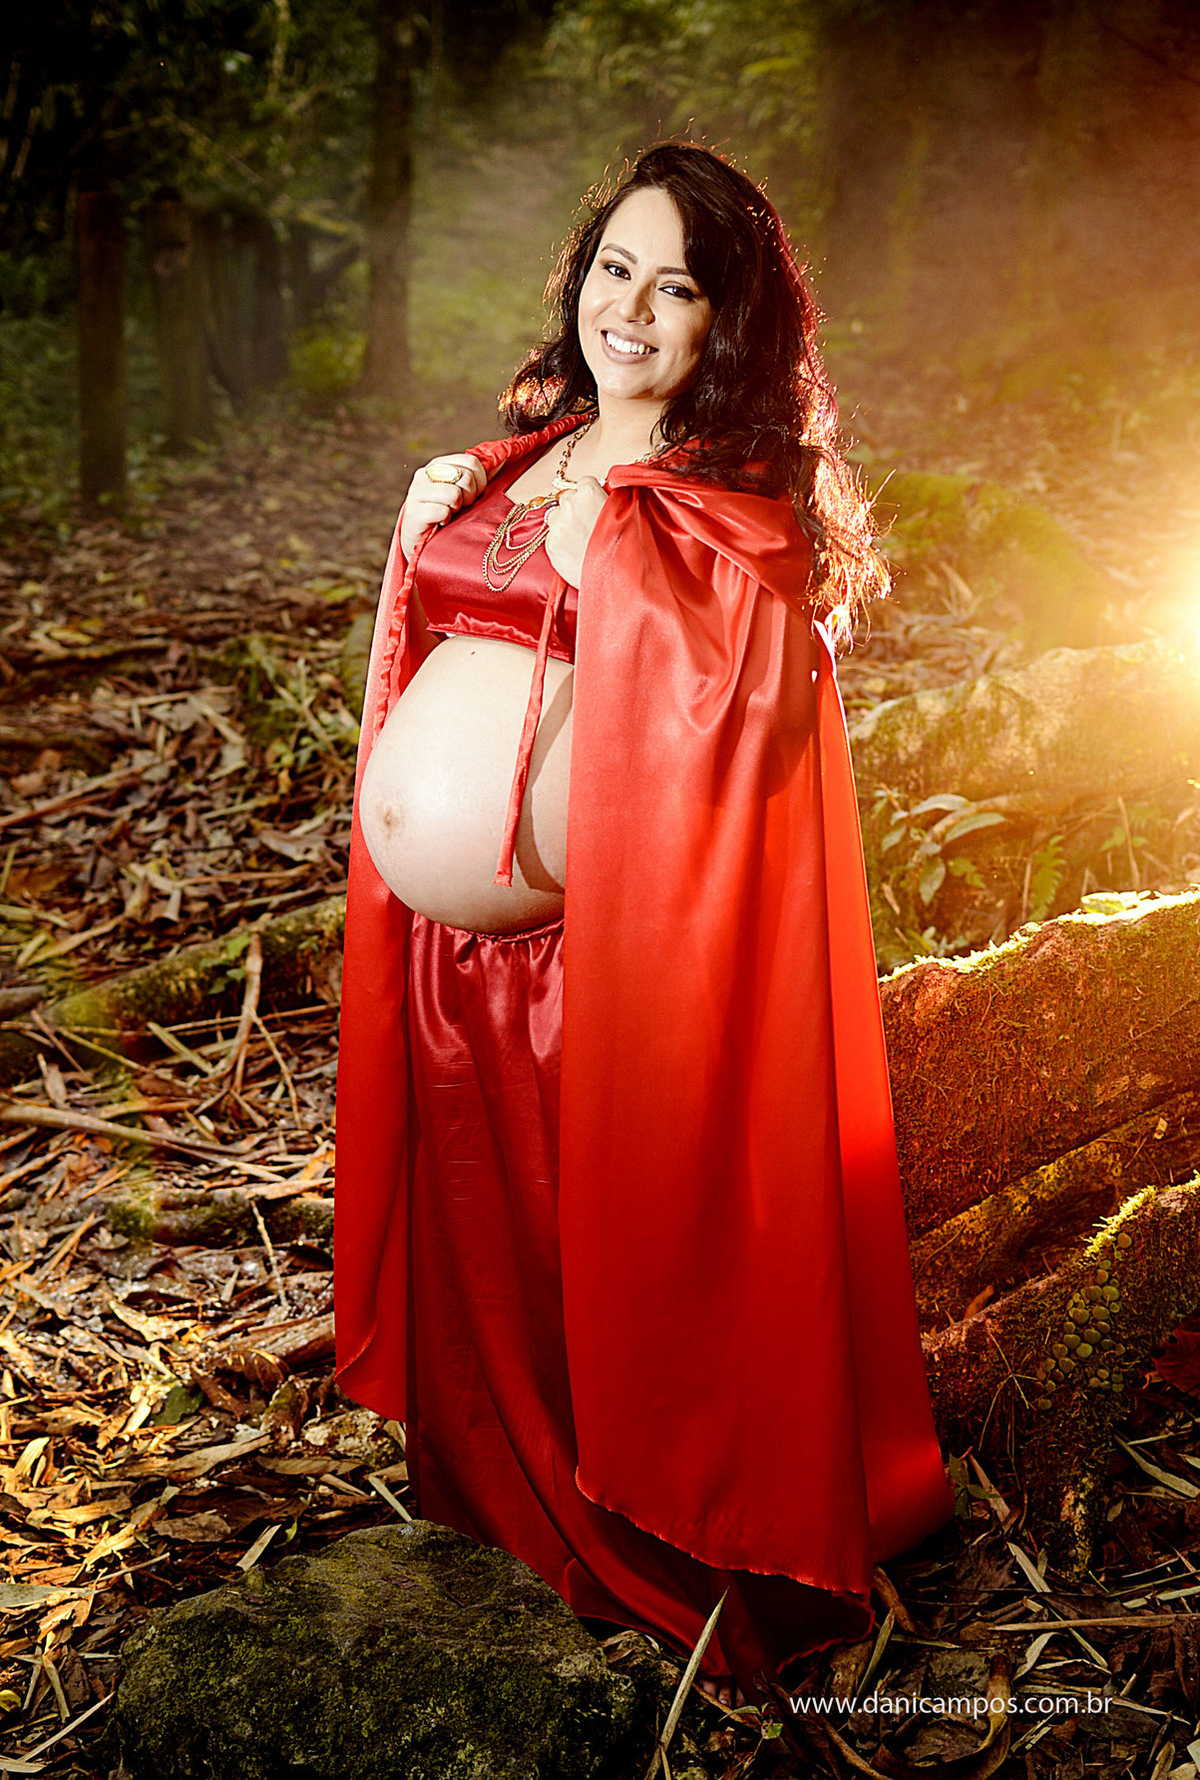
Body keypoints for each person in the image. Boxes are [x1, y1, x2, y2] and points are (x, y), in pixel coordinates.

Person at [333, 139, 953, 1707]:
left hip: (590, 988)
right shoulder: (519, 456)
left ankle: (651, 1544)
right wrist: (431, 522)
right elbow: (448, 640)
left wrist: (620, 570)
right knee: (483, 1281)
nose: (636, 305)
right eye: (617, 266)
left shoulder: (726, 519)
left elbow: (727, 734)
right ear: (580, 277)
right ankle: (500, 1522)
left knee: (589, 1270)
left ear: (726, 326)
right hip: (443, 966)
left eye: (679, 285)